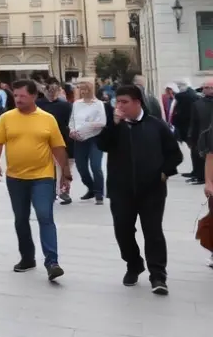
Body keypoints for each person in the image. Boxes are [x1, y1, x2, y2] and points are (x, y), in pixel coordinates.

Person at [98, 85, 183, 294]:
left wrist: (165, 172)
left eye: (124, 102)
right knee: (123, 231)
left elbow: (175, 154)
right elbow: (103, 145)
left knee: (153, 232)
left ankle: (158, 276)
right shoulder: (114, 126)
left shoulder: (156, 125)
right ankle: (133, 264)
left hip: (152, 190)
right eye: (117, 102)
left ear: (137, 102)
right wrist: (114, 125)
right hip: (121, 190)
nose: (119, 106)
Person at [0, 79, 71, 281]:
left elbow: (58, 147)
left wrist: (66, 173)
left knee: (45, 215)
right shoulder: (7, 118)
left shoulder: (47, 119)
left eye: (22, 96)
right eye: (15, 95)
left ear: (34, 96)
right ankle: (27, 257)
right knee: (21, 219)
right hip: (15, 178)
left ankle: (52, 262)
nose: (17, 99)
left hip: (42, 176)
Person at [68, 81, 107, 205]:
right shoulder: (77, 104)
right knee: (81, 167)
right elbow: (72, 120)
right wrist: (72, 131)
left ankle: (99, 194)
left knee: (95, 166)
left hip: (94, 138)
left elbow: (102, 122)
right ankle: (91, 188)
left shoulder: (99, 104)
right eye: (82, 90)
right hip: (79, 139)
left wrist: (87, 127)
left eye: (86, 89)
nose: (84, 92)